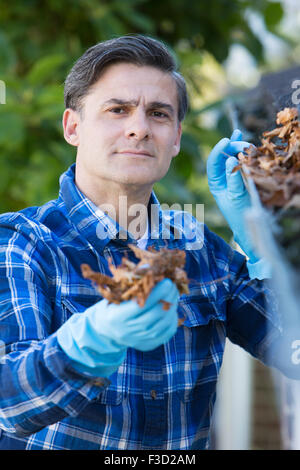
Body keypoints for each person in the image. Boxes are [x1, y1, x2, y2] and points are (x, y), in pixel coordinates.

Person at [0, 34, 298, 451]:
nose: (139, 128)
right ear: (73, 127)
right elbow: (10, 405)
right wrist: (89, 341)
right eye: (117, 110)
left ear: (176, 138)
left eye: (158, 114)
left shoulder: (199, 248)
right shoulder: (21, 244)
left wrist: (266, 238)